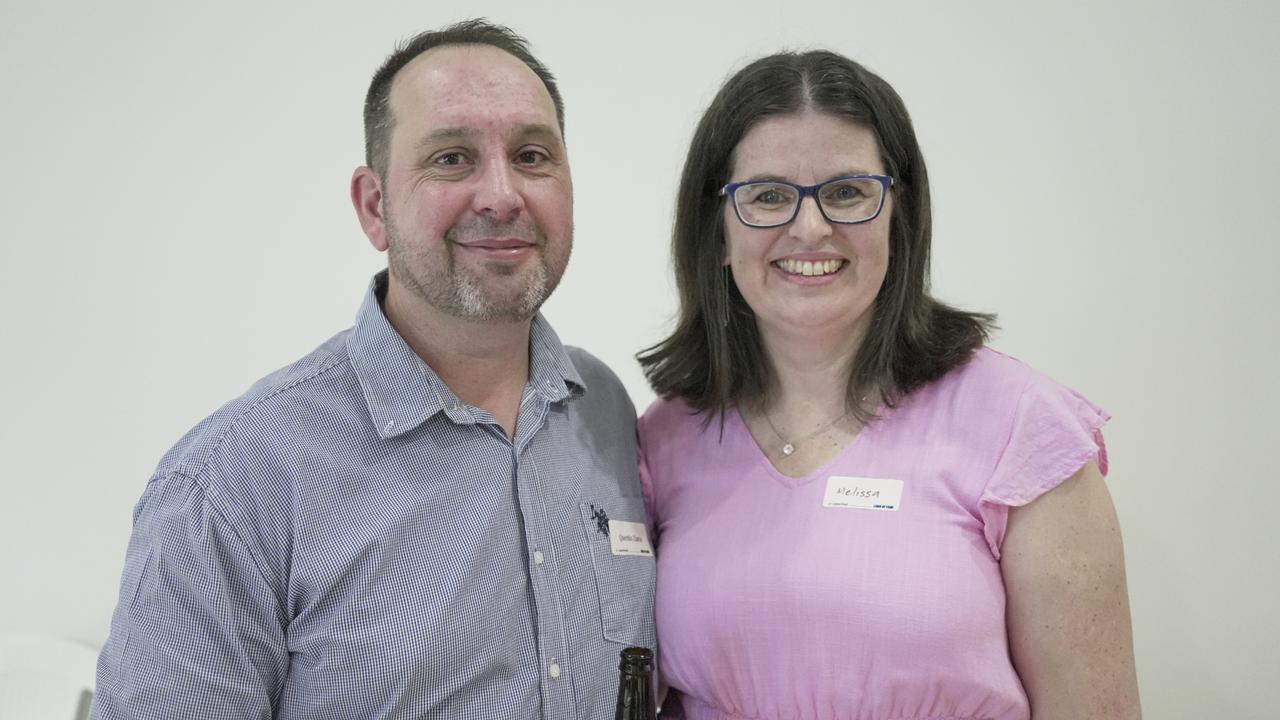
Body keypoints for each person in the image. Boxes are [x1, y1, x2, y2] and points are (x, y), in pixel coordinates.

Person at [92, 19, 655, 720]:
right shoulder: (232, 483)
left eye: (533, 155)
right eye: (451, 159)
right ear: (374, 206)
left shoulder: (603, 412)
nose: (502, 194)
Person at [636, 50, 1140, 720]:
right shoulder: (668, 437)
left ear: (899, 216)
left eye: (847, 192)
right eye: (767, 196)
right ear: (717, 234)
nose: (810, 226)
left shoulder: (1023, 432)